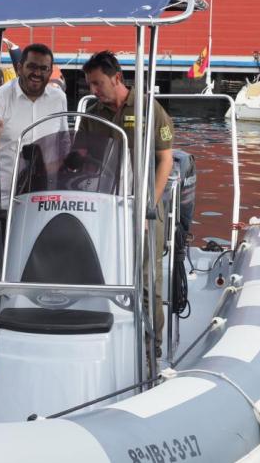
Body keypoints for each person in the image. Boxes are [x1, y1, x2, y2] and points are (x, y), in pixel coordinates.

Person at [75, 50, 174, 358]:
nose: (93, 90)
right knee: (104, 270)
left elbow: (165, 159)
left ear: (116, 78)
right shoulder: (92, 115)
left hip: (143, 206)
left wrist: (148, 205)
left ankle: (151, 344)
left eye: (98, 83)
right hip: (105, 207)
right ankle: (111, 338)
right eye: (90, 85)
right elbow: (80, 160)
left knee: (147, 278)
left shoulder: (149, 108)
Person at [0, 43, 69, 281]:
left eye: (44, 68)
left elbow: (64, 141)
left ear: (51, 71)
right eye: (32, 67)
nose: (37, 73)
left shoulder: (59, 98)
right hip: (2, 201)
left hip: (43, 202)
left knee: (40, 267)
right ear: (19, 67)